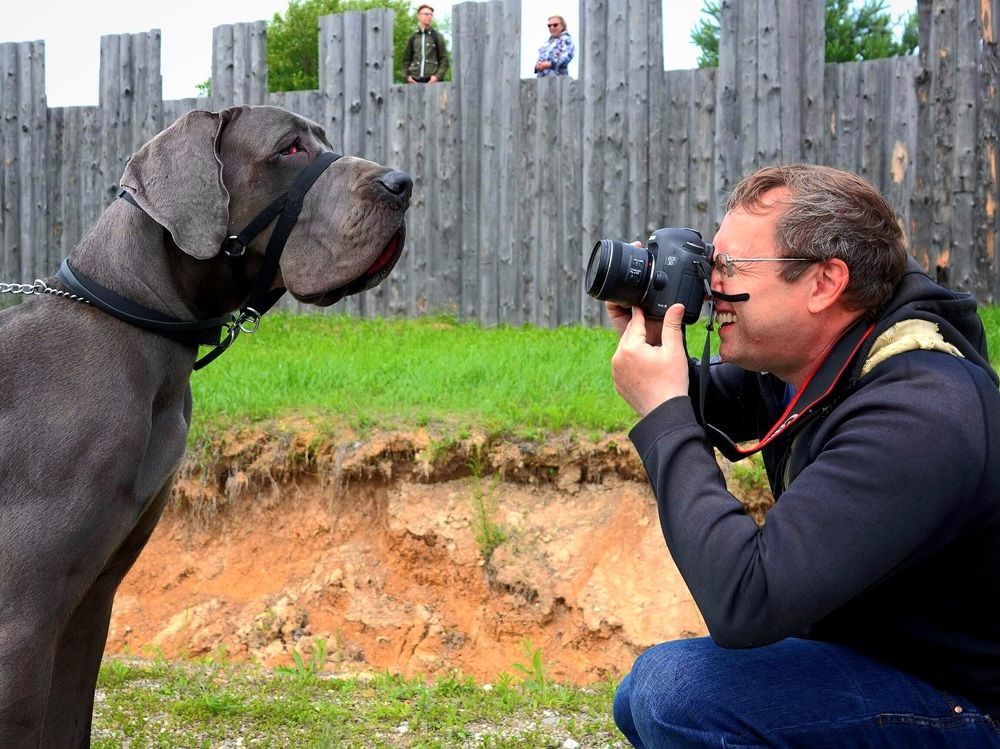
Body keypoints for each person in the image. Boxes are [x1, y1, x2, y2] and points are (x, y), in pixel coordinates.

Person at [608, 164, 1000, 748]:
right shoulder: (825, 357)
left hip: (967, 700)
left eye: (731, 267)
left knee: (679, 692)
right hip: (878, 655)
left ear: (824, 284)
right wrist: (656, 330)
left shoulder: (920, 411)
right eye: (709, 262)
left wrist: (663, 415)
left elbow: (747, 601)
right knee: (638, 698)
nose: (712, 284)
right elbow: (713, 398)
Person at [402, 4, 449, 84]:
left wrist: (437, 76)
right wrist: (407, 77)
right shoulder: (413, 37)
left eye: (431, 15)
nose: (429, 16)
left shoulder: (437, 36)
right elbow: (406, 60)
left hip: (432, 81)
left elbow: (444, 60)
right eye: (426, 14)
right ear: (419, 16)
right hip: (414, 81)